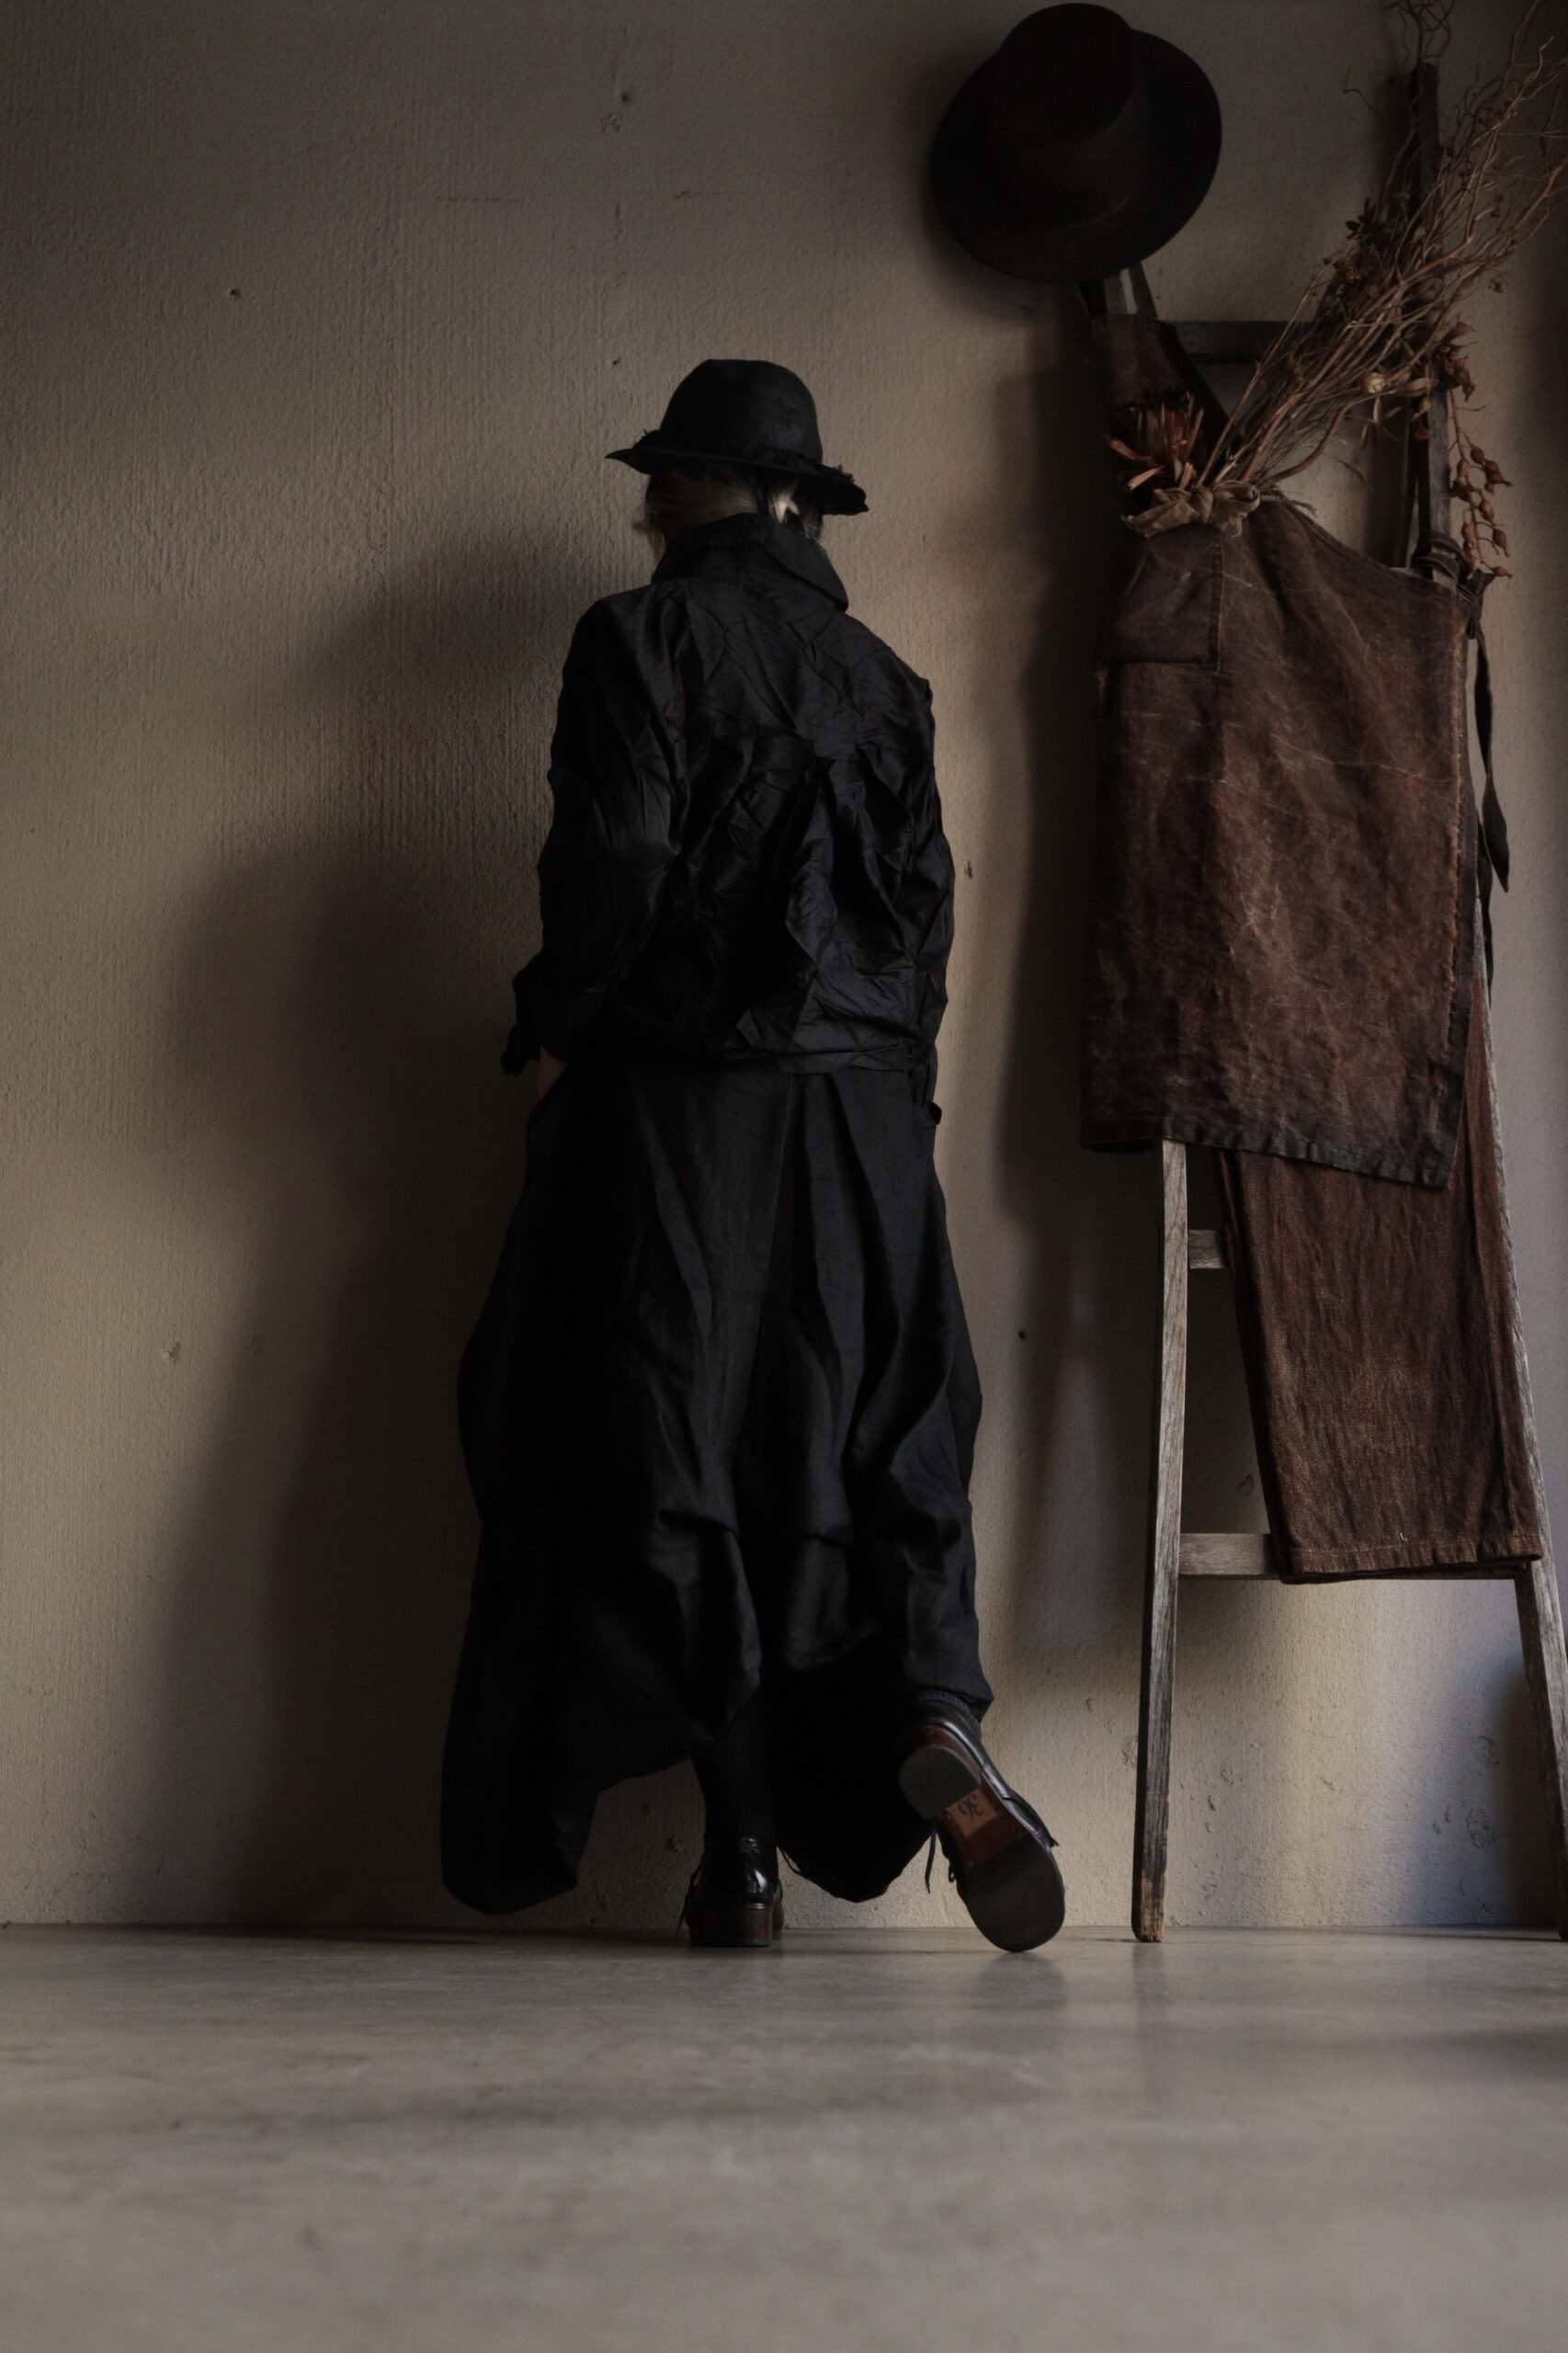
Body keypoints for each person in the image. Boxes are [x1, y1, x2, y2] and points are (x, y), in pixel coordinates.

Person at [441, 359, 1063, 1952]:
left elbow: (618, 855)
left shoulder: (636, 638)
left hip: (685, 1110)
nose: (649, 502)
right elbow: (924, 923)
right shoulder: (887, 681)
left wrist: (558, 1024)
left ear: (712, 495)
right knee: (870, 1435)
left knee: (680, 1455)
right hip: (865, 1122)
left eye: (667, 477)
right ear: (801, 506)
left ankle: (739, 1865)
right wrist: (895, 1121)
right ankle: (932, 1710)